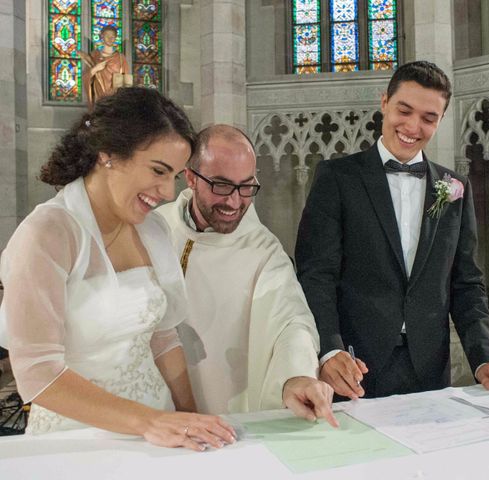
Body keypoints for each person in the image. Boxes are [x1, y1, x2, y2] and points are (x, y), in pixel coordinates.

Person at [0, 87, 236, 451]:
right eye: (158, 170)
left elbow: (164, 338)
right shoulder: (48, 234)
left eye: (174, 175)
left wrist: (191, 418)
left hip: (158, 431)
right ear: (107, 153)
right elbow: (38, 375)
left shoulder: (153, 229)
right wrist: (150, 422)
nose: (168, 192)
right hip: (76, 438)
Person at [295, 61, 489, 400]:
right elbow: (317, 275)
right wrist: (330, 350)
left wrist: (485, 356)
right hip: (353, 365)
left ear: (441, 120)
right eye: (404, 110)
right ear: (384, 102)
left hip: (430, 367)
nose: (413, 126)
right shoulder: (337, 178)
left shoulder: (455, 187)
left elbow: (466, 284)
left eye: (429, 118)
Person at [157, 124, 337, 426]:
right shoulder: (153, 228)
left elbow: (292, 320)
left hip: (223, 414)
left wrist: (296, 375)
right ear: (190, 177)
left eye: (246, 187)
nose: (234, 201)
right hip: (149, 413)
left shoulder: (263, 251)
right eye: (221, 185)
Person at [80, 25, 131, 108]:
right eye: (107, 36)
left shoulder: (121, 58)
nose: (110, 39)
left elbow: (126, 82)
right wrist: (95, 69)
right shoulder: (94, 56)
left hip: (115, 98)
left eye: (113, 36)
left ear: (115, 38)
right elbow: (85, 77)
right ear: (102, 37)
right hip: (99, 96)